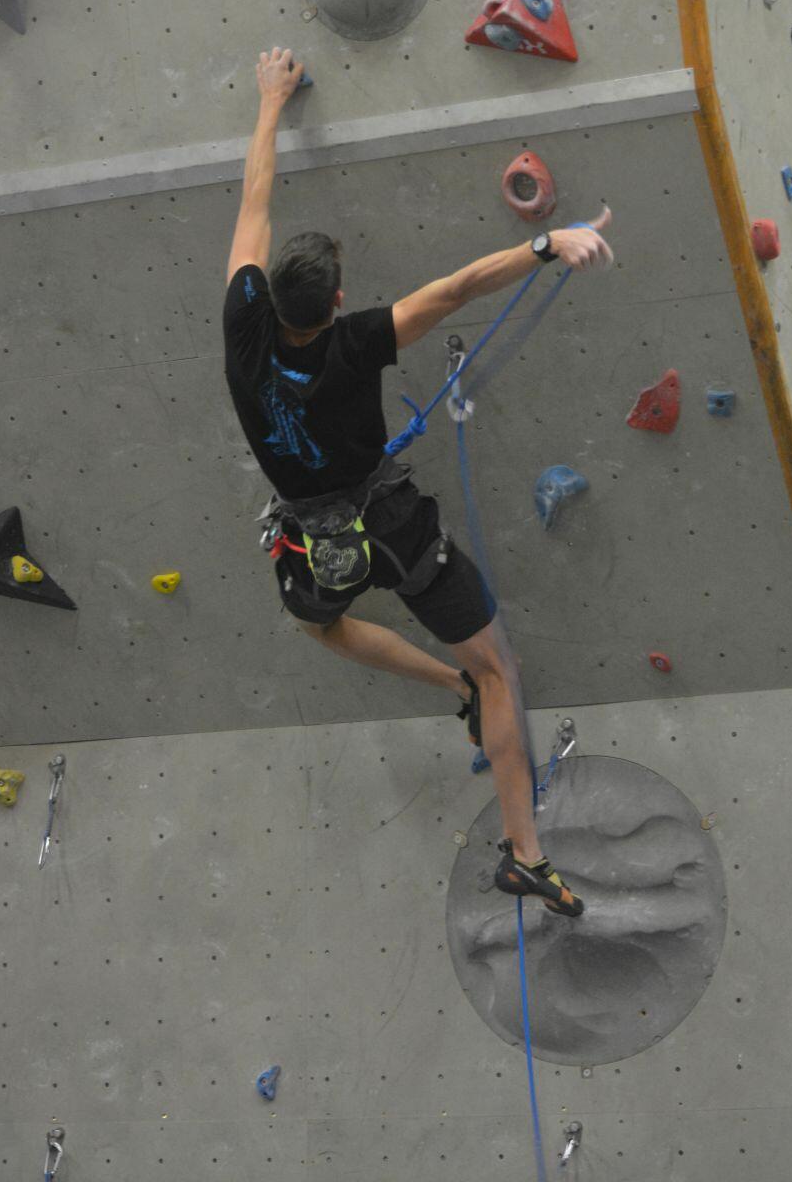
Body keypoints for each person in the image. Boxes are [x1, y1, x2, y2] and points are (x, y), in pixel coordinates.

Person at [223, 47, 614, 916]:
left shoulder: (241, 326)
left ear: (266, 296)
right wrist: (548, 242)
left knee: (318, 624)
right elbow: (459, 288)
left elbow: (253, 203)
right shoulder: (358, 339)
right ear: (335, 303)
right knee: (501, 669)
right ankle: (524, 851)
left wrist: (270, 100)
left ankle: (447, 687)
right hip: (392, 526)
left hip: (313, 543)